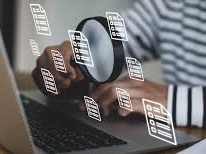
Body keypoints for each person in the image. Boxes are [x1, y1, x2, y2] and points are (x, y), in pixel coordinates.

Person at [32, 0, 206, 128]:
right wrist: (68, 72)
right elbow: (111, 49)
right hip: (178, 138)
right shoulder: (172, 5)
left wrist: (182, 101)